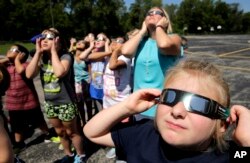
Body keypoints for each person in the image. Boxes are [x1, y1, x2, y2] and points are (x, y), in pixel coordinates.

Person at [84, 59, 250, 162]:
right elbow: (92, 133)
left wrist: (247, 143)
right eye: (170, 97)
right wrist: (126, 107)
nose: (177, 110)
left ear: (221, 125)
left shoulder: (226, 156)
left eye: (198, 104)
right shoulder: (144, 134)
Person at [25, 28, 86, 163]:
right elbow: (29, 74)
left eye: (50, 38)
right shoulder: (41, 57)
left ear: (58, 41)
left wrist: (53, 51)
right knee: (60, 132)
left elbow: (59, 73)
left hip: (66, 102)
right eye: (43, 37)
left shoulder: (66, 56)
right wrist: (38, 53)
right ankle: (68, 155)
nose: (44, 40)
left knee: (72, 132)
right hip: (50, 103)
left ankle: (81, 155)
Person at [121, 7, 182, 119]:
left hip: (162, 108)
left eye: (157, 13)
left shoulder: (174, 38)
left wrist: (159, 27)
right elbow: (125, 51)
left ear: (165, 20)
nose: (152, 14)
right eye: (149, 13)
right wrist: (142, 32)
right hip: (138, 107)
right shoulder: (141, 43)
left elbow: (163, 45)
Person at [0, 44, 53, 154]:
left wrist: (17, 60)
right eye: (9, 49)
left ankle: (47, 133)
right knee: (16, 125)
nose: (9, 50)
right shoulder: (7, 65)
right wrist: (8, 58)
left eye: (13, 49)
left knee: (38, 120)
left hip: (29, 101)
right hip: (13, 104)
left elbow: (20, 71)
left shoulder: (26, 64)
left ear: (21, 54)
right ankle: (19, 143)